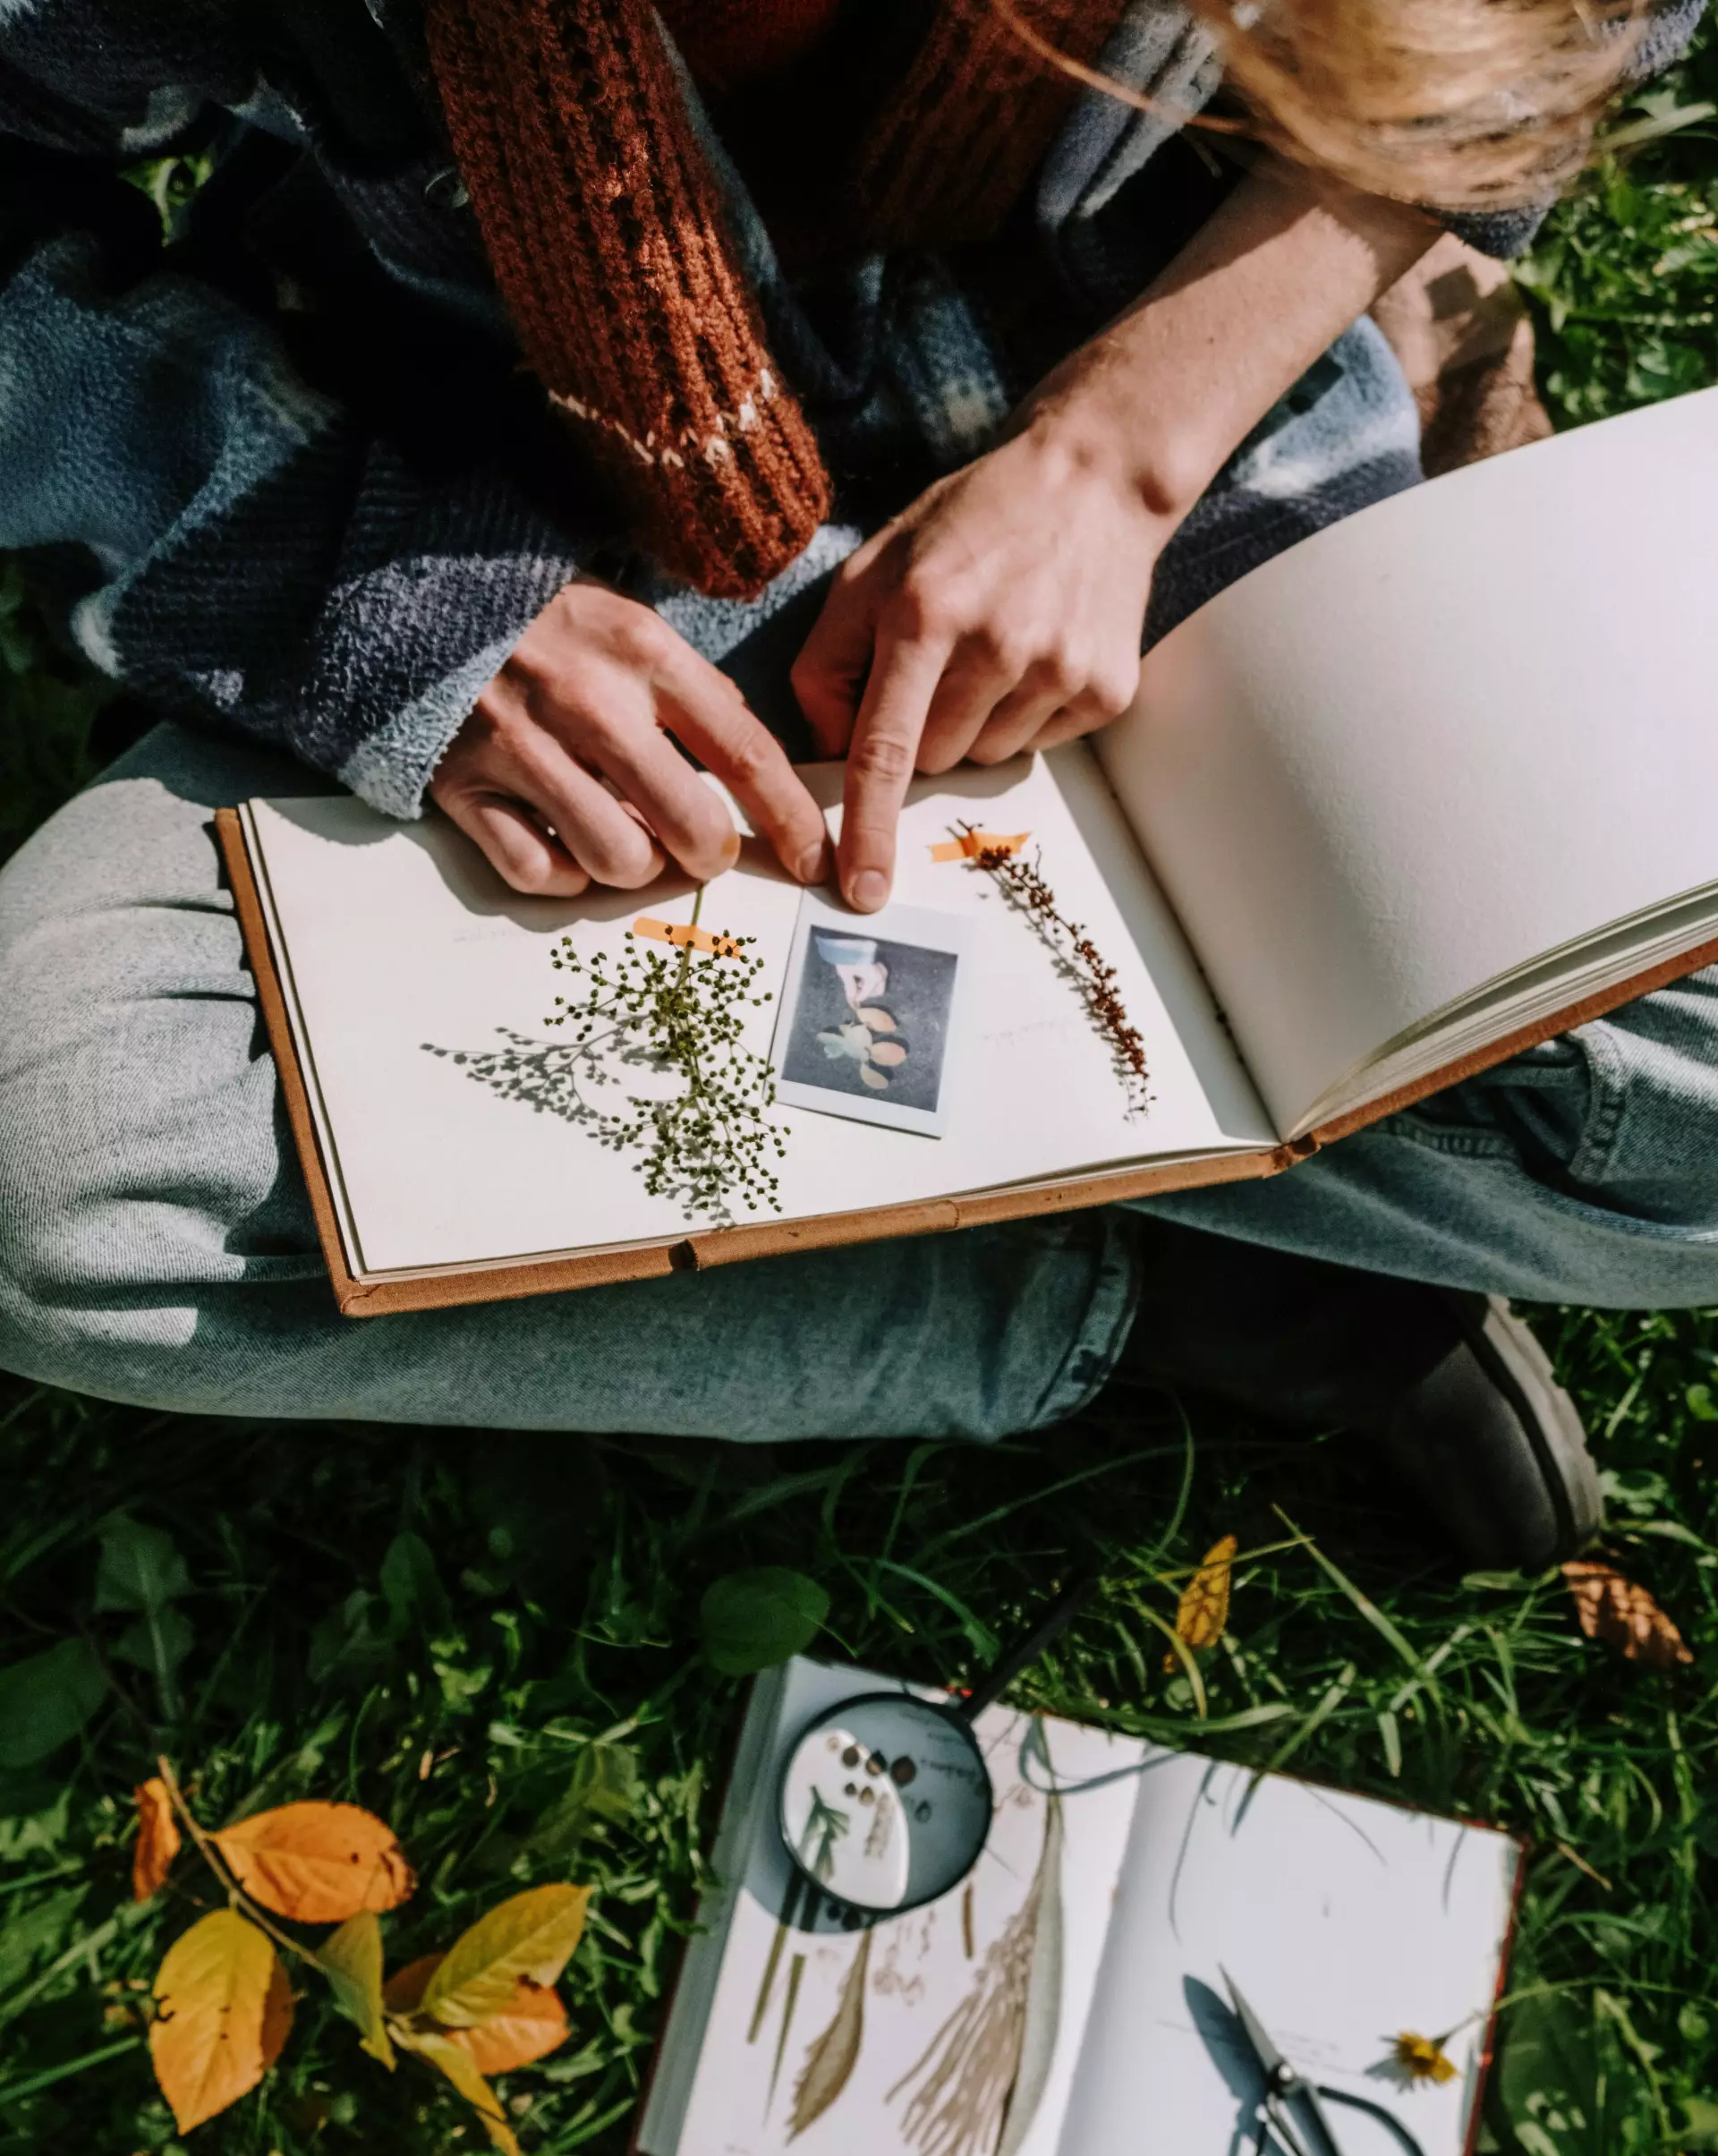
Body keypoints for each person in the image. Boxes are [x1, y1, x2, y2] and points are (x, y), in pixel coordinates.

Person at [0, 0, 1705, 1571]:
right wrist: (380, 601)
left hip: (1187, 465)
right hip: (522, 513)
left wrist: (1131, 440)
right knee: (61, 1149)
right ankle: (1170, 1282)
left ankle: (1080, 1169)